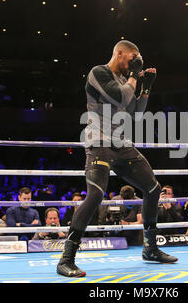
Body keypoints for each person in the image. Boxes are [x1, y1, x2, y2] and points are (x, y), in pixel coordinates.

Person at [57, 40, 177, 278]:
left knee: (153, 189)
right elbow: (120, 98)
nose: (135, 64)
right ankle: (66, 259)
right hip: (99, 143)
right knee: (96, 194)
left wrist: (146, 87)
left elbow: (136, 113)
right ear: (119, 53)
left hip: (121, 144)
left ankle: (150, 249)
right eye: (133, 59)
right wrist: (134, 76)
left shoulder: (126, 81)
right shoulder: (99, 73)